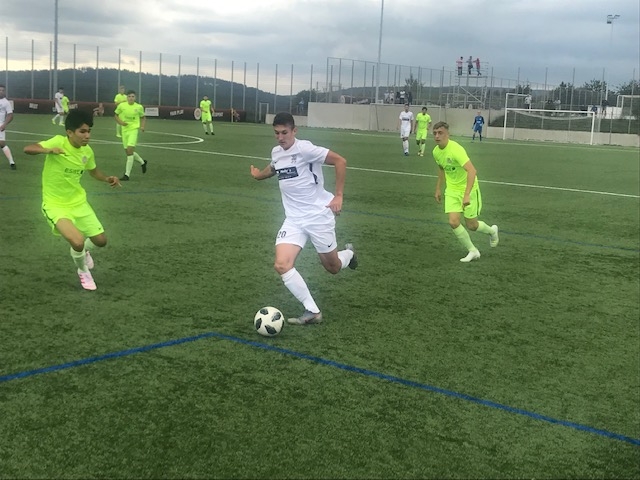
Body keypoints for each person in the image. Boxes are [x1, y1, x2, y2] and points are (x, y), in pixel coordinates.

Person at [249, 112, 357, 325]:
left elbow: (340, 161)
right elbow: (274, 168)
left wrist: (339, 196)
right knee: (282, 264)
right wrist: (258, 175)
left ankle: (350, 254)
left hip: (318, 216)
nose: (280, 138)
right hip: (293, 220)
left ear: (294, 131)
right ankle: (313, 311)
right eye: (276, 133)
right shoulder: (277, 152)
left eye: (284, 133)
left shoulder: (305, 149)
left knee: (333, 267)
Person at [23, 109, 121, 290]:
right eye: (82, 131)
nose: (87, 136)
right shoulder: (58, 142)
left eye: (89, 131)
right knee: (77, 242)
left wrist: (107, 178)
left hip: (79, 203)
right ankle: (83, 270)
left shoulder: (87, 152)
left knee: (101, 241)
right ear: (69, 132)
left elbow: (93, 172)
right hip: (55, 204)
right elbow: (28, 149)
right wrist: (48, 150)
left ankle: (85, 252)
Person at [432, 121, 499, 263]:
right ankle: (473, 251)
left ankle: (492, 231)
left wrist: (467, 194)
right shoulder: (436, 152)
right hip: (452, 190)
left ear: (447, 134)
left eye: (440, 133)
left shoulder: (456, 149)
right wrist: (438, 188)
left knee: (472, 225)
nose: (437, 136)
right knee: (453, 222)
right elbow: (441, 168)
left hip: (469, 189)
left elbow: (472, 170)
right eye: (435, 133)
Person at [114, 90, 147, 181]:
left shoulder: (139, 107)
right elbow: (116, 115)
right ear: (127, 97)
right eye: (129, 96)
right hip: (124, 131)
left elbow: (143, 117)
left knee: (129, 150)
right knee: (128, 152)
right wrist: (121, 122)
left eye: (132, 96)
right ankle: (142, 162)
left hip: (133, 130)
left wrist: (142, 126)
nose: (131, 98)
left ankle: (127, 175)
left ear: (135, 98)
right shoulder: (122, 106)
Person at [0, 84, 16, 170]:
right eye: (0, 90)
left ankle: (11, 162)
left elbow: (10, 115)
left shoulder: (6, 102)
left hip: (0, 125)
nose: (1, 92)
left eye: (3, 90)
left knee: (2, 144)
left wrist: (4, 124)